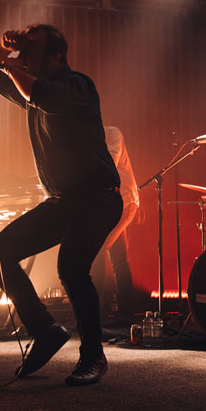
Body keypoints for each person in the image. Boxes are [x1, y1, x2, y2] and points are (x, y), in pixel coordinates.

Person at [0, 23, 123, 385]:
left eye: (32, 49)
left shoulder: (77, 86)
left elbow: (39, 95)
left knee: (72, 267)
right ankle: (45, 330)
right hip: (63, 201)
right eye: (23, 49)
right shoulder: (28, 85)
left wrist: (14, 65)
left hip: (98, 198)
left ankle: (94, 357)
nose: (23, 55)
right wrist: (2, 49)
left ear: (56, 57)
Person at [90, 126, 140, 323]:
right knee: (118, 257)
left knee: (98, 249)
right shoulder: (88, 139)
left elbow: (109, 165)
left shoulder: (112, 134)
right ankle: (124, 312)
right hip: (110, 203)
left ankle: (97, 313)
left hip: (124, 201)